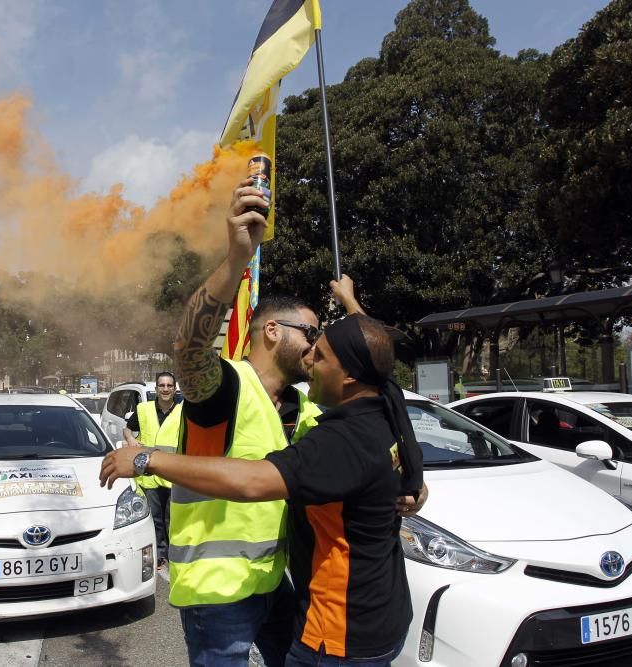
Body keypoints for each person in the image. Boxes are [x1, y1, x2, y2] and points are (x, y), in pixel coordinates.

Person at [111, 178, 423, 667]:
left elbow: (379, 380)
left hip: (277, 584)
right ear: (273, 331)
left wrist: (401, 486)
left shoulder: (310, 404)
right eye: (314, 333)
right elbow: (190, 349)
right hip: (220, 598)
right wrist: (237, 258)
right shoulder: (226, 387)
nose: (321, 345)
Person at [123, 372, 181, 568]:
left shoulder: (183, 412)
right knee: (155, 517)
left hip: (173, 473)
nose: (165, 389)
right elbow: (128, 429)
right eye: (162, 385)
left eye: (169, 385)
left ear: (174, 389)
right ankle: (160, 553)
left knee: (173, 517)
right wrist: (131, 439)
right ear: (156, 389)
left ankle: (175, 552)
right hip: (149, 472)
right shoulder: (144, 409)